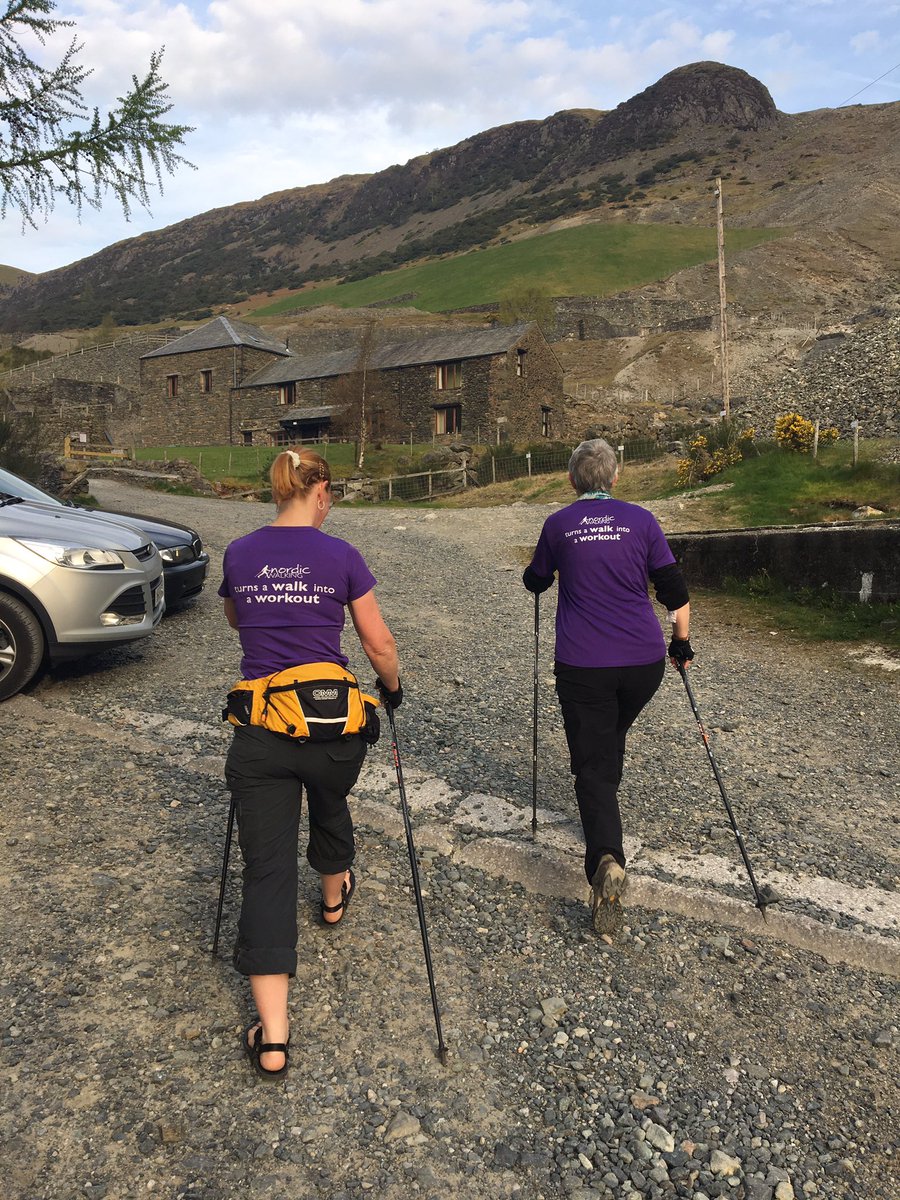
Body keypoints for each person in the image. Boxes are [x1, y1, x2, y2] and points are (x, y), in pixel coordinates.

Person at [219, 448, 402, 1078]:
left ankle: (273, 1039)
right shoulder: (342, 555)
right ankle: (332, 898)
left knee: (266, 871)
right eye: (332, 493)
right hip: (330, 730)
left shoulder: (240, 553)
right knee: (329, 793)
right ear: (318, 490)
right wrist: (393, 689)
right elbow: (378, 642)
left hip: (264, 732)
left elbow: (236, 615)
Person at [523, 438, 693, 934]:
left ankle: (606, 858)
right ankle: (605, 811)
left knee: (592, 764)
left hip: (583, 663)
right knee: (608, 736)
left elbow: (537, 579)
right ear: (615, 478)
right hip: (644, 663)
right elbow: (676, 593)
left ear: (573, 480)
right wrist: (680, 643)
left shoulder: (557, 525)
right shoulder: (642, 520)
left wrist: (535, 578)